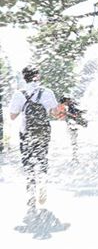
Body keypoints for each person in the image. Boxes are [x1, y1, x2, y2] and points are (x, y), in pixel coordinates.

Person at [8, 65, 60, 206]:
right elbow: (55, 113)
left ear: (25, 77)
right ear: (37, 76)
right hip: (43, 132)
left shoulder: (19, 94)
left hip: (26, 133)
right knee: (42, 158)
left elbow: (12, 116)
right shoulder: (47, 92)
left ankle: (31, 192)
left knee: (28, 162)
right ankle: (42, 180)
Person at [58, 96, 87, 163]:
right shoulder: (64, 106)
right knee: (73, 140)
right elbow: (67, 114)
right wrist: (76, 115)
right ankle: (74, 156)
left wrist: (81, 112)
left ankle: (75, 155)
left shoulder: (71, 106)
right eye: (68, 99)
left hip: (73, 125)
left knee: (74, 140)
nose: (70, 100)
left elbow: (76, 112)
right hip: (71, 125)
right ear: (65, 101)